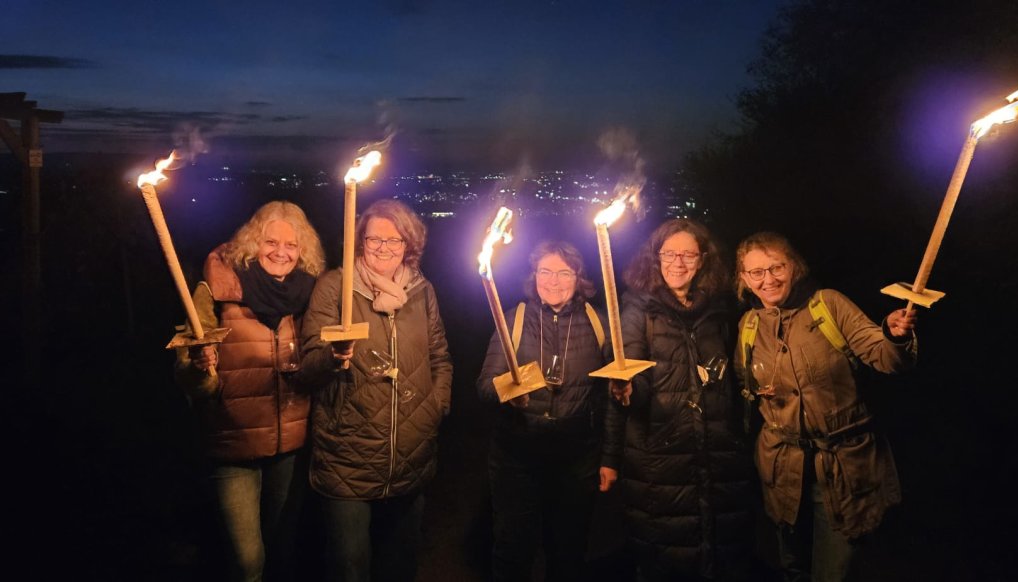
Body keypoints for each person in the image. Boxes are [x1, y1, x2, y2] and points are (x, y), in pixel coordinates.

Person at [733, 231, 917, 582]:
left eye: (776, 268)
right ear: (744, 279)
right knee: (792, 567)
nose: (767, 279)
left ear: (794, 267)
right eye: (756, 272)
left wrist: (895, 336)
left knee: (835, 572)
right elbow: (746, 387)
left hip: (843, 469)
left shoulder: (828, 305)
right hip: (783, 473)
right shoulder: (749, 327)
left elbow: (885, 358)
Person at [299, 199, 452, 582]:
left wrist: (436, 407)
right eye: (374, 239)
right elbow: (307, 367)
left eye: (394, 240)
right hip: (348, 454)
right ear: (359, 241)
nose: (384, 248)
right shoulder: (335, 286)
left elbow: (440, 357)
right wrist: (333, 358)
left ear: (408, 245)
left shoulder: (421, 290)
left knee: (400, 565)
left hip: (409, 455)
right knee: (350, 566)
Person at [175, 200, 325, 581]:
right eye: (270, 242)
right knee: (247, 561)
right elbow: (192, 378)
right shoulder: (218, 289)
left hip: (289, 444)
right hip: (233, 443)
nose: (280, 252)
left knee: (281, 551)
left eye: (291, 246)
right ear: (252, 243)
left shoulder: (311, 293)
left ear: (303, 251)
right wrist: (199, 367)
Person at [603, 219, 756, 581]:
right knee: (665, 555)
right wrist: (626, 392)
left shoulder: (719, 312)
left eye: (688, 254)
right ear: (655, 259)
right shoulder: (638, 310)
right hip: (660, 457)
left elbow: (734, 378)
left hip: (718, 454)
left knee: (720, 550)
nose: (678, 262)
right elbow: (628, 380)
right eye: (669, 254)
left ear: (703, 260)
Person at [476, 240, 613, 582]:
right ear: (533, 275)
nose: (553, 281)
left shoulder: (599, 322)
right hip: (518, 456)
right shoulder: (516, 319)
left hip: (576, 458)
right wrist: (510, 391)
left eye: (563, 273)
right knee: (513, 548)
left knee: (568, 549)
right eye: (545, 271)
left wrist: (610, 457)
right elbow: (484, 386)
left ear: (578, 277)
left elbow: (610, 398)